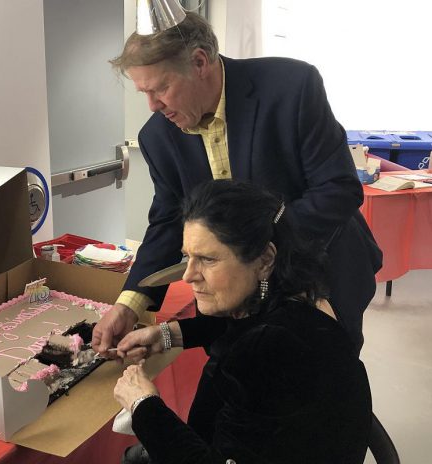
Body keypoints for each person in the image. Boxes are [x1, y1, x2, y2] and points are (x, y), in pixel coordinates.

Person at [91, 12, 381, 355]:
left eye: (161, 88)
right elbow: (169, 221)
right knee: (243, 380)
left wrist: (254, 246)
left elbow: (338, 188)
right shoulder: (158, 137)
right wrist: (129, 304)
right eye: (144, 92)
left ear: (200, 62)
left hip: (317, 270)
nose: (153, 106)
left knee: (324, 382)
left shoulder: (291, 86)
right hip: (233, 293)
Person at [113, 180, 372, 464]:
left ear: (264, 260)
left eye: (207, 259)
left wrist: (144, 406)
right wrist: (166, 334)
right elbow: (241, 324)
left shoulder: (269, 353)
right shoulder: (300, 304)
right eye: (187, 257)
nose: (188, 275)